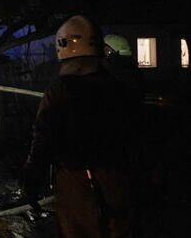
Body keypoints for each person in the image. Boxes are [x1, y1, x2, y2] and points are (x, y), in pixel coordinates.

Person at [23, 15, 136, 238]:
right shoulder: (116, 87)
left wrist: (32, 178)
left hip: (76, 181)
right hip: (117, 177)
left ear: (62, 46)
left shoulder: (60, 90)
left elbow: (43, 137)